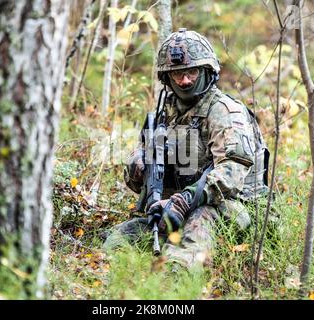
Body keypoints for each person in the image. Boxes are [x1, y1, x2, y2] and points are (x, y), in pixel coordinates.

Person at [103, 28, 271, 269]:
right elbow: (139, 180)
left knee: (187, 244)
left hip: (234, 206)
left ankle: (178, 279)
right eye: (178, 74)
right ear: (167, 77)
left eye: (192, 72)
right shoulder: (166, 111)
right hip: (177, 206)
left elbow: (232, 173)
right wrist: (137, 164)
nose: (185, 81)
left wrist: (185, 200)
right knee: (118, 242)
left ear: (207, 72)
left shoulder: (223, 111)